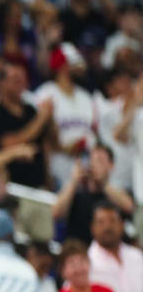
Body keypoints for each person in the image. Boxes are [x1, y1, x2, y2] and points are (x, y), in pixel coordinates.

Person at [0, 61, 53, 188]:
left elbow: (45, 146)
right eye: (15, 80)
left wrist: (48, 180)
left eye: (23, 80)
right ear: (1, 83)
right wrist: (42, 119)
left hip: (38, 185)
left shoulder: (31, 111)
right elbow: (10, 143)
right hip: (9, 188)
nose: (21, 85)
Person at [34, 42, 97, 189]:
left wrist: (85, 145)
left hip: (85, 170)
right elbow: (42, 136)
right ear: (63, 66)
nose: (81, 67)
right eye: (74, 63)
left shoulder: (86, 97)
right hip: (58, 170)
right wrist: (64, 147)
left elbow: (93, 133)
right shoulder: (45, 94)